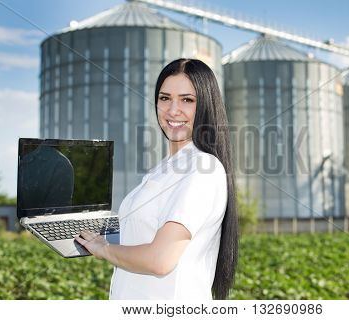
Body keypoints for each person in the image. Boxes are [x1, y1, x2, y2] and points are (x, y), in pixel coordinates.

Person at [74, 58, 238, 300]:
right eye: (164, 98)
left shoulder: (203, 168)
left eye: (187, 100)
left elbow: (160, 260)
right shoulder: (161, 169)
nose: (173, 110)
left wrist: (104, 250)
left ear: (206, 105)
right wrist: (85, 230)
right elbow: (141, 233)